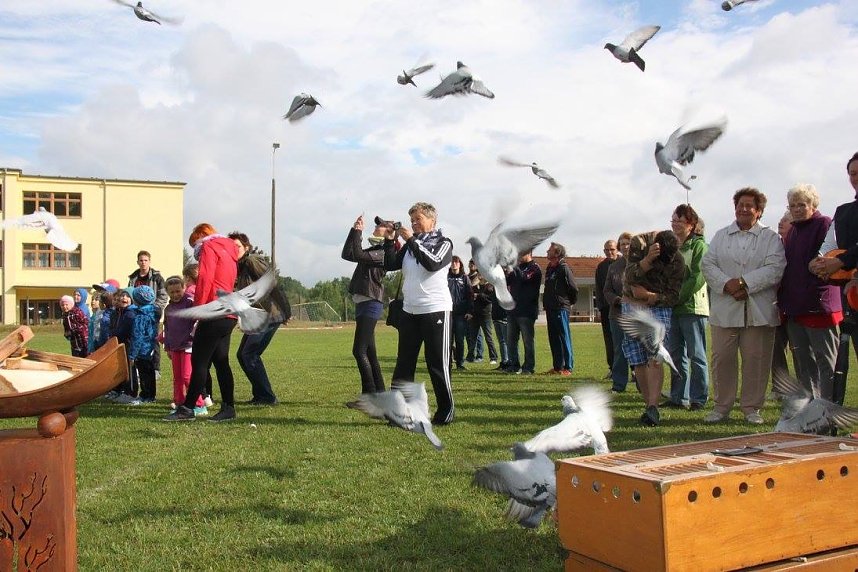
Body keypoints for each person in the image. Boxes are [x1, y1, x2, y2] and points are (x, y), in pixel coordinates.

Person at [701, 188, 786, 424]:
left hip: (758, 310)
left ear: (758, 211)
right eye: (740, 205)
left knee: (756, 360)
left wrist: (744, 284)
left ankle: (751, 408)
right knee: (723, 358)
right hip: (725, 309)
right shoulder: (720, 236)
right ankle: (721, 406)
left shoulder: (771, 238)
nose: (744, 209)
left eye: (749, 205)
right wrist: (727, 285)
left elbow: (775, 268)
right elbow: (708, 264)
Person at [382, 202, 455, 425]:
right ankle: (398, 412)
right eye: (412, 220)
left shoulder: (443, 243)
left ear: (432, 221)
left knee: (437, 363)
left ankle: (445, 411)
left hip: (435, 309)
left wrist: (411, 240)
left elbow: (432, 264)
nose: (414, 223)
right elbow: (390, 263)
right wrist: (389, 240)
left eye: (418, 219)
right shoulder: (410, 246)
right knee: (404, 363)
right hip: (410, 310)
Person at [164, 223, 239, 422]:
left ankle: (187, 408)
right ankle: (228, 408)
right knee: (221, 362)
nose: (194, 252)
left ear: (199, 238)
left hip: (213, 311)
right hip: (228, 312)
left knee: (199, 362)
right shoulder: (229, 250)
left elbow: (205, 279)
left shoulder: (208, 247)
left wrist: (198, 308)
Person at [777, 184, 841, 401]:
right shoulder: (793, 230)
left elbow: (826, 260)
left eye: (801, 205)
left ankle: (827, 411)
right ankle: (810, 413)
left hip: (819, 307)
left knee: (826, 364)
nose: (796, 209)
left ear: (813, 205)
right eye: (792, 205)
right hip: (796, 308)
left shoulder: (824, 224)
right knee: (804, 365)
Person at [622, 230, 685, 426]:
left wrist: (649, 296)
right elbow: (630, 275)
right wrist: (647, 260)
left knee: (655, 356)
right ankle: (649, 406)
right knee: (638, 358)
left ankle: (653, 407)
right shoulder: (638, 243)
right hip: (631, 305)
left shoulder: (678, 260)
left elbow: (674, 295)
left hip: (659, 308)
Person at [809, 152, 858, 405]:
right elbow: (829, 245)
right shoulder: (844, 211)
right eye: (852, 173)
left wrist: (842, 260)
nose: (855, 178)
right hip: (851, 296)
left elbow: (846, 254)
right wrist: (819, 262)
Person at [230, 231, 292, 406]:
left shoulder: (251, 260)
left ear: (246, 247)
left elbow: (271, 282)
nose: (234, 250)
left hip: (269, 314)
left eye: (238, 246)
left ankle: (267, 397)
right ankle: (261, 395)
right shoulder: (241, 267)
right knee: (244, 355)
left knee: (248, 354)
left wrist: (286, 310)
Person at [663, 205, 710, 411]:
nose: (675, 224)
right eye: (673, 220)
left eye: (679, 221)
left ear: (691, 225)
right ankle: (678, 396)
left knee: (696, 354)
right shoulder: (671, 248)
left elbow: (697, 278)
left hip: (692, 309)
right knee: (675, 354)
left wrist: (676, 298)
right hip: (673, 309)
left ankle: (698, 398)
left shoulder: (699, 246)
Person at [341, 216, 388, 396]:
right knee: (370, 352)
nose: (377, 226)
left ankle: (369, 394)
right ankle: (380, 393)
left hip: (371, 303)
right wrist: (354, 231)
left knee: (358, 351)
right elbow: (348, 254)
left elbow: (358, 254)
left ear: (389, 233)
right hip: (363, 303)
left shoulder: (382, 252)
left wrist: (359, 233)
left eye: (382, 225)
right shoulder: (374, 250)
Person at [162, 275, 207, 415]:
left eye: (178, 291)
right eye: (172, 292)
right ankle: (180, 403)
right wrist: (167, 347)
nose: (175, 295)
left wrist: (193, 338)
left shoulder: (189, 303)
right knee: (178, 378)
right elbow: (167, 329)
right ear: (168, 293)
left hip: (188, 345)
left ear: (184, 289)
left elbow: (196, 322)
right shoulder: (168, 309)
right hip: (175, 347)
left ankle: (199, 404)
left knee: (187, 376)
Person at [128, 250, 168, 379]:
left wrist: (155, 308)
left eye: (145, 260)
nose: (143, 263)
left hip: (152, 312)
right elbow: (129, 294)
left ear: (149, 261)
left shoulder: (157, 277)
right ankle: (139, 366)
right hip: (136, 312)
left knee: (153, 339)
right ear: (137, 262)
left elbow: (163, 295)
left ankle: (155, 368)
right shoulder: (133, 277)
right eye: (141, 260)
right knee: (137, 337)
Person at [542, 242, 578, 376]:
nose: (547, 251)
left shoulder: (564, 268)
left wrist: (569, 303)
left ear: (557, 253)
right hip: (550, 308)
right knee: (553, 337)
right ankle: (557, 366)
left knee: (564, 336)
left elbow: (573, 288)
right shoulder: (550, 268)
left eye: (550, 250)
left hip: (561, 307)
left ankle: (568, 367)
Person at [504, 249, 542, 375]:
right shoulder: (518, 267)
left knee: (527, 341)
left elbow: (524, 278)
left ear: (529, 253)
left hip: (526, 311)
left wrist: (514, 268)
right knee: (511, 340)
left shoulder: (535, 268)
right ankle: (514, 365)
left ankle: (528, 367)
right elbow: (507, 281)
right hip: (513, 310)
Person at [604, 232, 632, 393]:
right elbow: (606, 290)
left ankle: (644, 385)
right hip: (618, 314)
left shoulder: (642, 263)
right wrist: (617, 300)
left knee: (641, 351)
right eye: (623, 244)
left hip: (638, 314)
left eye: (628, 243)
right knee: (619, 350)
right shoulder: (614, 267)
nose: (626, 247)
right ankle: (619, 384)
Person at [129, 286, 159, 403]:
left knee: (144, 374)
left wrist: (132, 355)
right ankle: (151, 395)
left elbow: (138, 336)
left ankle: (145, 395)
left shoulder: (141, 316)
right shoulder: (153, 312)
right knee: (150, 373)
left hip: (142, 350)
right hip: (151, 348)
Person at [595, 240, 619, 379]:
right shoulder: (601, 267)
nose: (609, 252)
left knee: (625, 340)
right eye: (606, 250)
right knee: (609, 340)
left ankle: (634, 370)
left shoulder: (624, 263)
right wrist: (600, 305)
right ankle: (613, 368)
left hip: (621, 307)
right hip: (606, 308)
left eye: (612, 249)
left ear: (617, 249)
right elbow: (599, 288)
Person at [447, 255, 474, 371]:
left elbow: (470, 295)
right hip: (447, 312)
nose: (454, 264)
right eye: (452, 262)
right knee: (448, 340)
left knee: (459, 340)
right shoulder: (445, 277)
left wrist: (469, 311)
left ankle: (460, 363)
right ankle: (447, 363)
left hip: (460, 314)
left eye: (456, 262)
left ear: (460, 264)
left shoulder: (464, 278)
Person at [466, 272, 498, 365]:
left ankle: (493, 357)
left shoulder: (489, 286)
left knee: (488, 337)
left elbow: (489, 299)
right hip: (475, 315)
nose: (480, 276)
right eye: (479, 275)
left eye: (481, 274)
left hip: (485, 315)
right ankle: (470, 357)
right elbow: (470, 295)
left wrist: (479, 295)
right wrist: (473, 285)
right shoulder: (475, 287)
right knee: (473, 338)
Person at [487, 282, 509, 370]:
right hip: (496, 317)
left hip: (504, 317)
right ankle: (504, 361)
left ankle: (509, 361)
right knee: (501, 341)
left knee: (506, 341)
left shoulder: (505, 288)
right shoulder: (494, 289)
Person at [466, 259, 485, 361]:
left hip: (479, 309)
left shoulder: (480, 277)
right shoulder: (467, 277)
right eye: (471, 262)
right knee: (470, 334)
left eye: (474, 263)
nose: (472, 264)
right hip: (469, 308)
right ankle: (470, 354)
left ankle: (479, 355)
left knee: (478, 334)